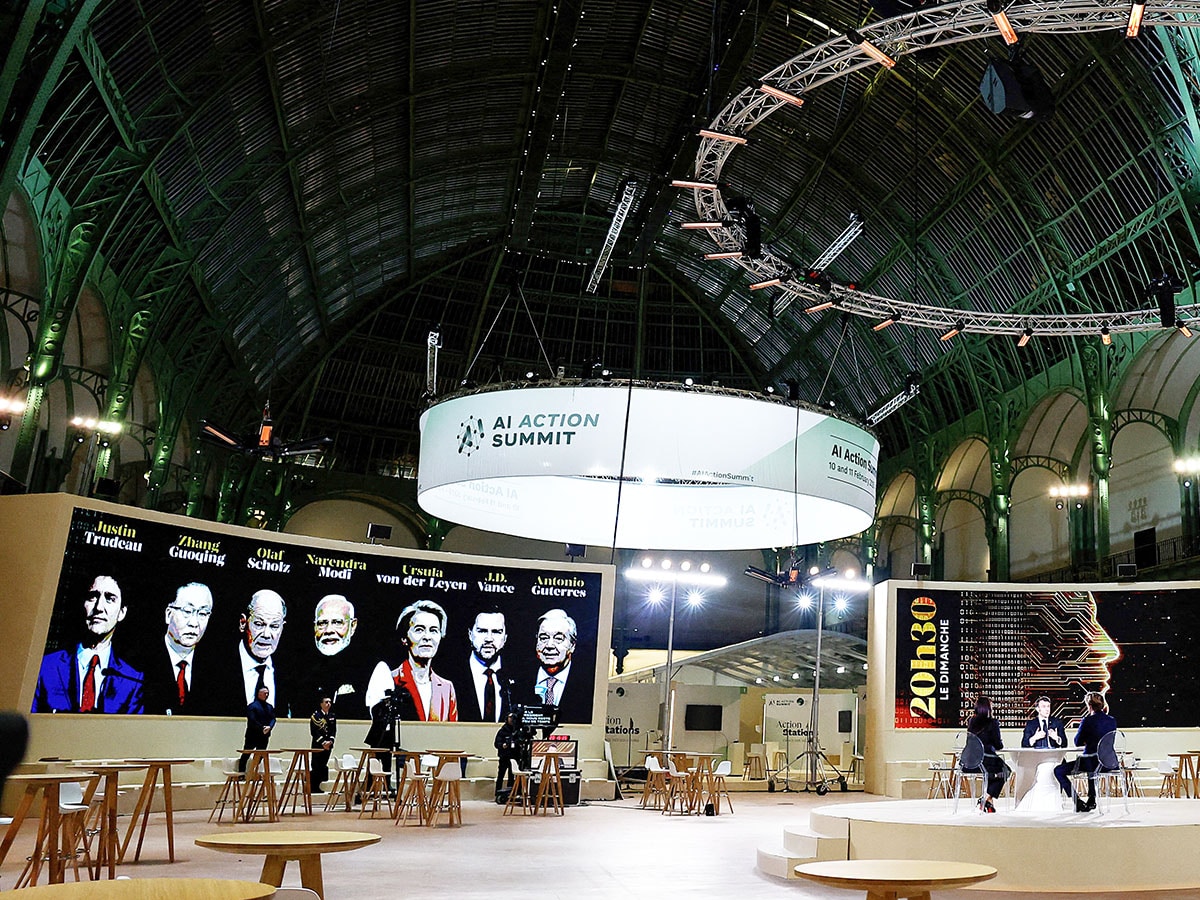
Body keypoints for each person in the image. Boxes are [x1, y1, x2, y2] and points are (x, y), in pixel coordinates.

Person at [32, 575, 144, 714]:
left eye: (110, 599)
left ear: (122, 612)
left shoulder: (133, 680)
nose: (98, 607)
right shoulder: (46, 665)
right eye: (92, 597)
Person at [144, 582, 213, 715]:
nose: (194, 623)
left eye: (203, 614)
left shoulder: (215, 670)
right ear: (168, 614)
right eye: (187, 612)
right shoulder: (141, 662)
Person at [220, 589, 288, 716]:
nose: (266, 635)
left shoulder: (290, 672)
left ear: (282, 627)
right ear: (243, 623)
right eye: (259, 624)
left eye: (274, 626)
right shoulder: (218, 666)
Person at [1054, 691, 1117, 812]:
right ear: (1103, 705)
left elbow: (1078, 741)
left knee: (1059, 771)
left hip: (1092, 764)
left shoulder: (1087, 721)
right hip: (1108, 764)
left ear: (1089, 706)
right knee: (1090, 764)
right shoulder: (1112, 720)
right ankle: (1091, 799)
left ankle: (1077, 802)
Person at [530, 608, 591, 723]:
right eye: (543, 638)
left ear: (572, 645)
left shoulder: (587, 684)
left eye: (558, 638)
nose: (549, 645)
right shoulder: (517, 681)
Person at [458, 611, 511, 723]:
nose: (489, 639)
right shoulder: (452, 676)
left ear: (505, 638)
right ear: (470, 634)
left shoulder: (520, 678)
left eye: (496, 632)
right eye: (482, 631)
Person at [964, 696, 1009, 812]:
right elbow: (999, 745)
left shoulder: (971, 722)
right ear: (988, 708)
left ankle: (988, 803)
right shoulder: (993, 723)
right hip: (986, 762)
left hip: (969, 764)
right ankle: (987, 797)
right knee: (1005, 771)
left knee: (992, 772)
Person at [493, 711, 530, 802]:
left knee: (511, 775)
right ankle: (498, 793)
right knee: (501, 775)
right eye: (510, 717)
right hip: (504, 756)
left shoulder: (517, 730)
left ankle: (511, 793)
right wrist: (503, 745)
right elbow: (496, 743)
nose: (511, 719)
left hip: (515, 756)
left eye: (513, 718)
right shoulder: (502, 730)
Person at [239, 685, 275, 772]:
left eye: (267, 693)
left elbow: (273, 718)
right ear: (259, 694)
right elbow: (252, 720)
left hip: (264, 735)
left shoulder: (269, 707)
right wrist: (262, 728)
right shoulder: (252, 706)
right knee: (246, 754)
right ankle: (241, 772)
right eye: (264, 693)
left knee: (261, 755)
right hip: (253, 735)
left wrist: (270, 727)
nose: (266, 695)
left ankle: (254, 772)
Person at [309, 695, 336, 793]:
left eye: (329, 702)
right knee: (316, 765)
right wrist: (323, 742)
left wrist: (330, 741)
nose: (328, 704)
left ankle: (318, 785)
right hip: (318, 745)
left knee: (323, 765)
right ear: (321, 704)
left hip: (328, 746)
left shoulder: (332, 716)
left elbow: (333, 730)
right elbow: (314, 732)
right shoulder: (316, 716)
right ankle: (313, 786)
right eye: (326, 702)